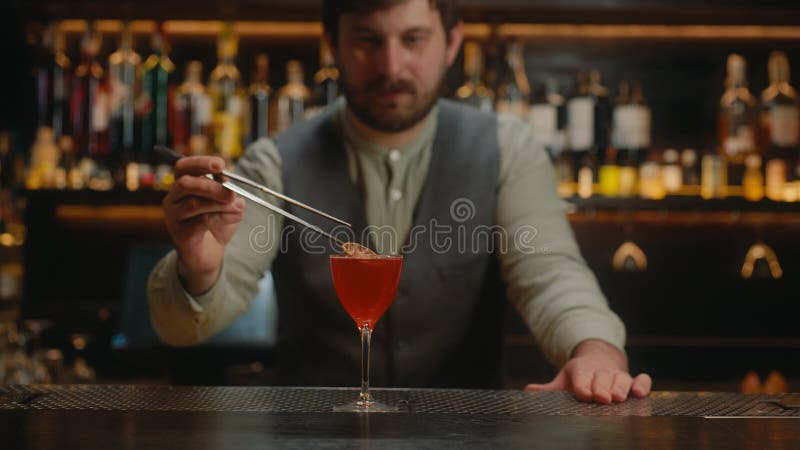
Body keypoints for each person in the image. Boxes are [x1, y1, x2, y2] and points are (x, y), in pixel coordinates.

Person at [148, 0, 652, 404]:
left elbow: (552, 275)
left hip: (466, 441)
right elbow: (182, 326)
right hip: (314, 440)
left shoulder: (508, 151)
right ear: (334, 45)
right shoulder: (274, 161)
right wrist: (197, 268)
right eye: (368, 40)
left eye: (413, 39)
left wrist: (596, 351)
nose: (391, 65)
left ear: (452, 42)